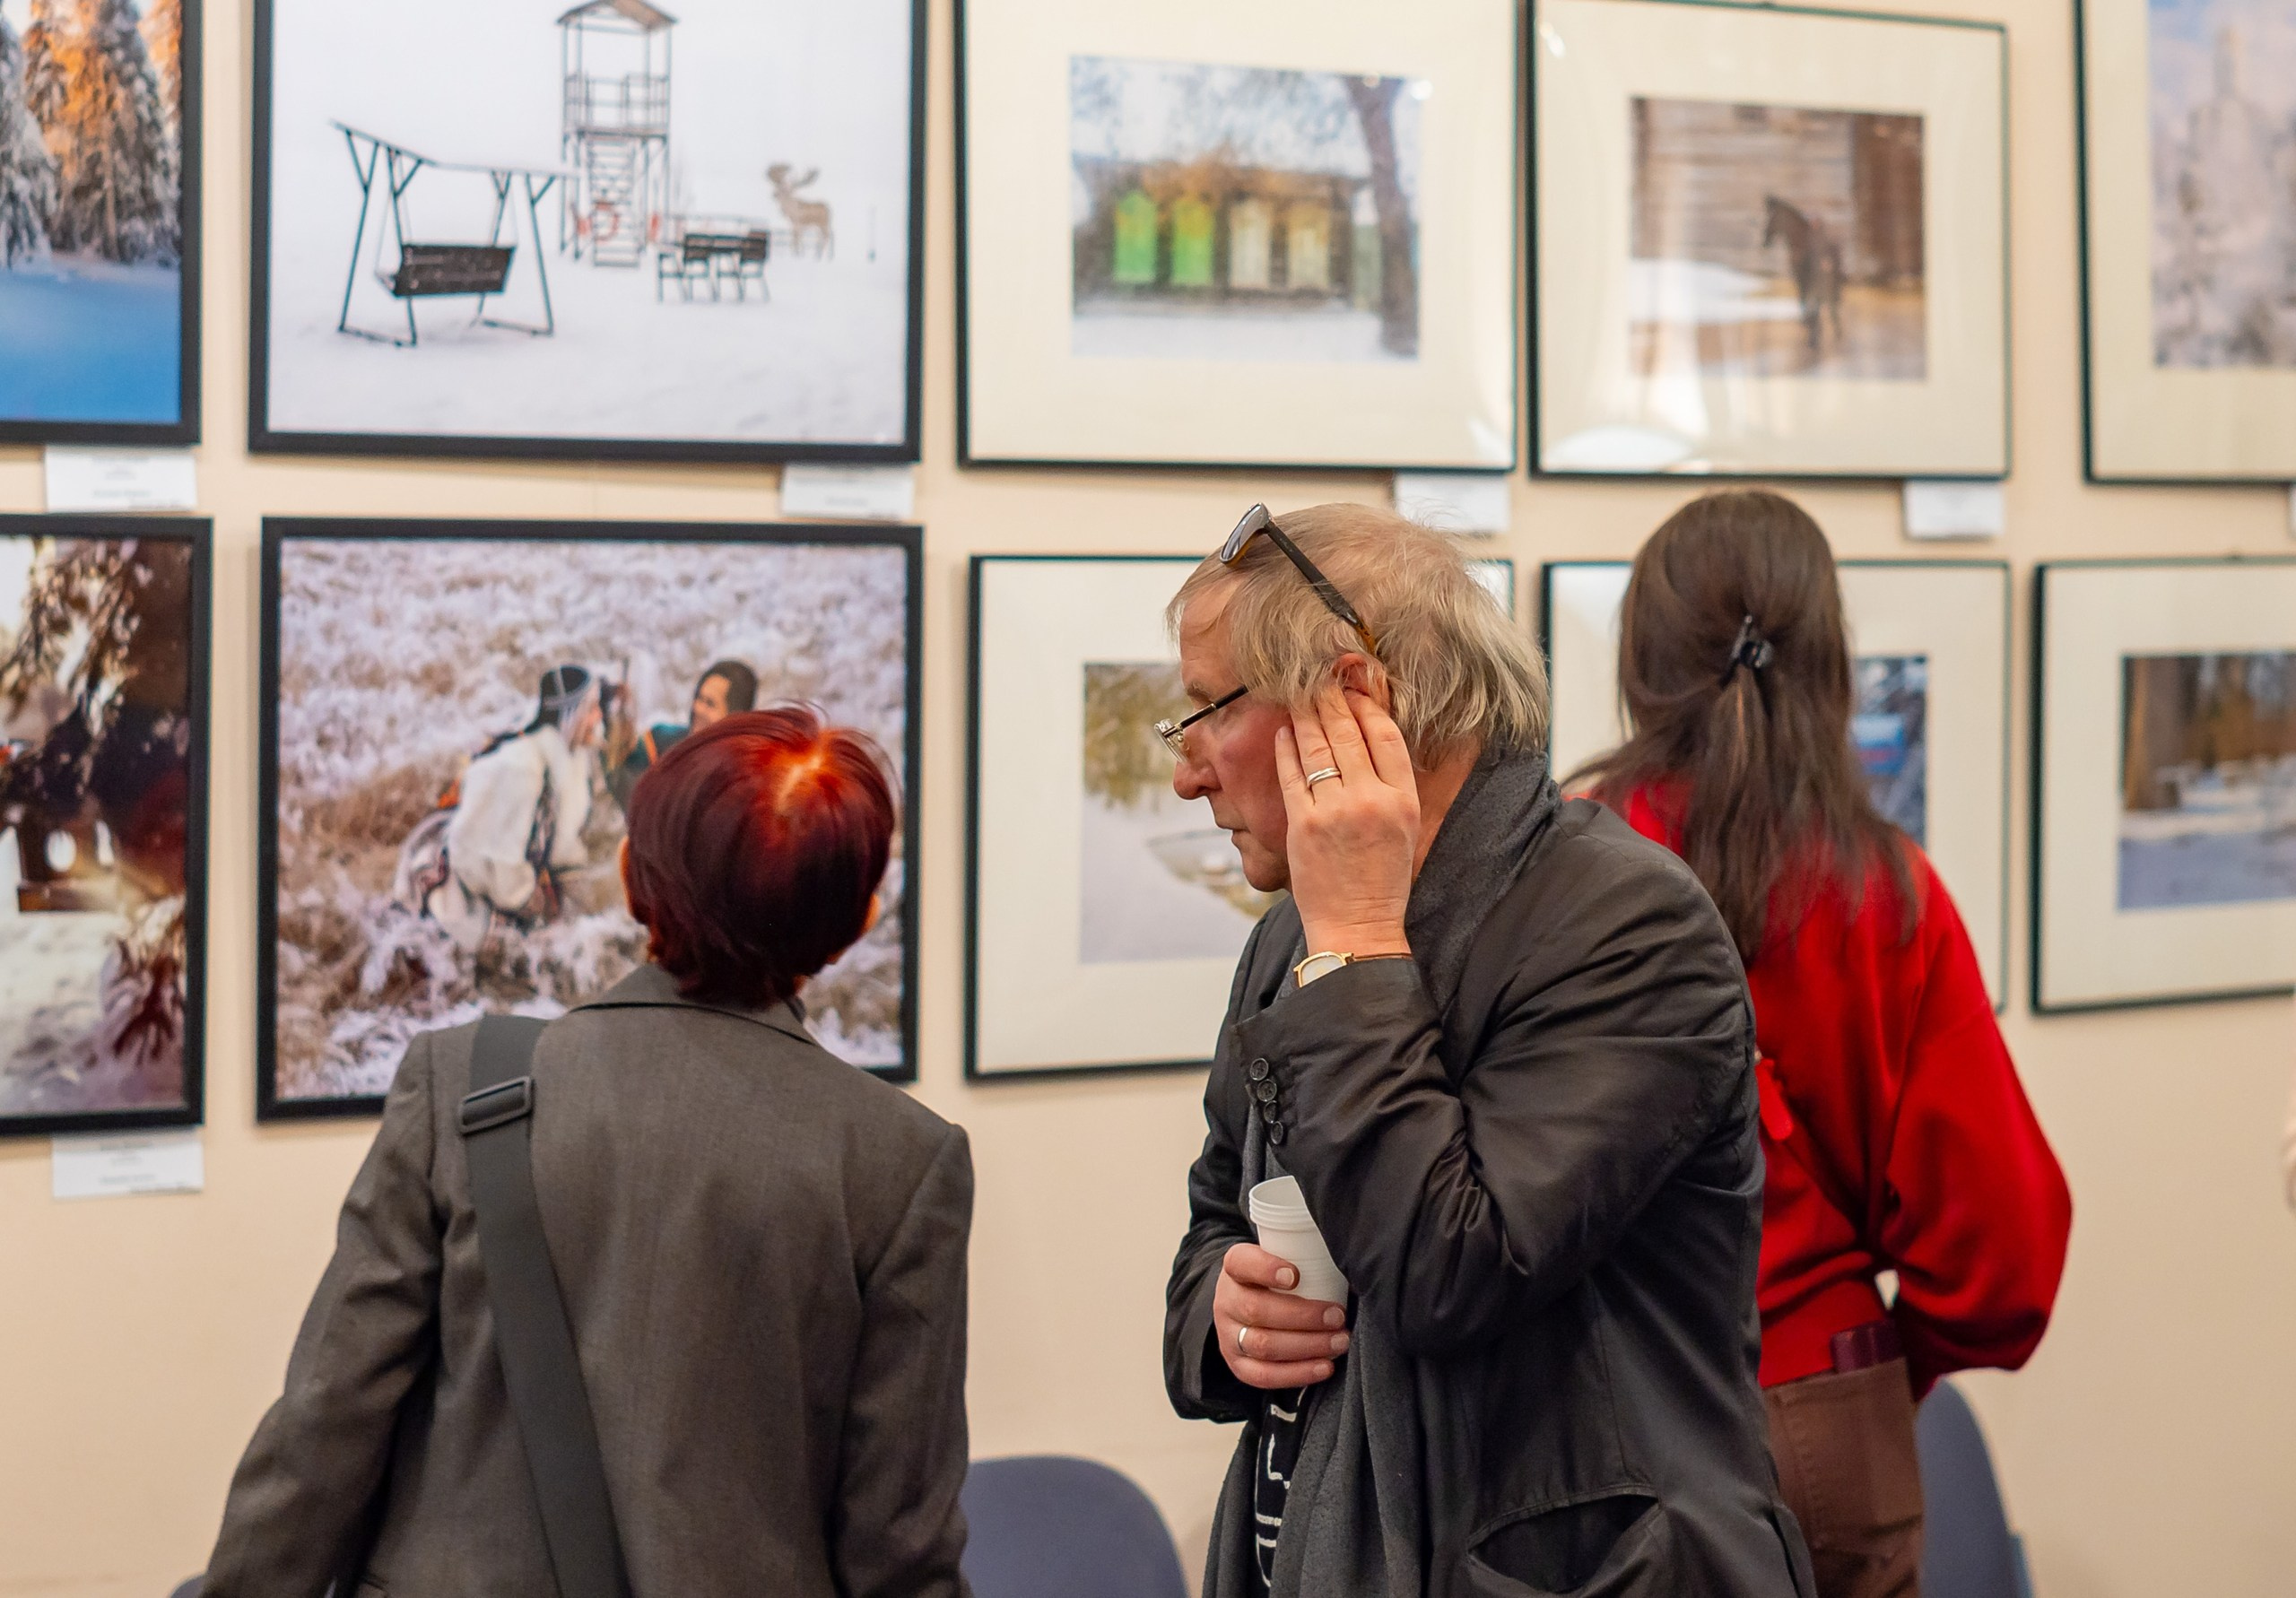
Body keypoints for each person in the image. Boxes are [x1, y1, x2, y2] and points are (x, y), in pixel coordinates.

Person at [1160, 502, 1812, 1598]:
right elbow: (1215, 1218)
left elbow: (1447, 1272)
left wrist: (1358, 948)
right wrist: (1223, 1317)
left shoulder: (1628, 926)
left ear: (1349, 699)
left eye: (1207, 713)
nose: (1187, 774)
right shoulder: (1293, 935)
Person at [203, 708, 973, 1597]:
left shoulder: (460, 1085)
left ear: (631, 874)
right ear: (860, 918)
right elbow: (899, 1551)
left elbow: (324, 1430)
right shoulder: (902, 1163)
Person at [1575, 491, 2072, 1598]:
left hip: (1592, 1419)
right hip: (1827, 1411)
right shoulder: (1884, 890)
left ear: (1640, 658)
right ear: (1829, 656)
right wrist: (1880, 1369)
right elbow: (2002, 1245)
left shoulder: (1564, 866)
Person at [397, 664, 604, 951]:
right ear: (572, 715)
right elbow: (493, 860)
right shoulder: (522, 769)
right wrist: (529, 900)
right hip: (459, 893)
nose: (599, 717)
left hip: (500, 879)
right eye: (592, 709)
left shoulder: (569, 758)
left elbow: (562, 845)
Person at [607, 657, 760, 812]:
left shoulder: (746, 782)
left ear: (735, 718)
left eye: (710, 704)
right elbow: (621, 768)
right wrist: (614, 723)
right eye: (699, 698)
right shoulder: (663, 741)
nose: (698, 708)